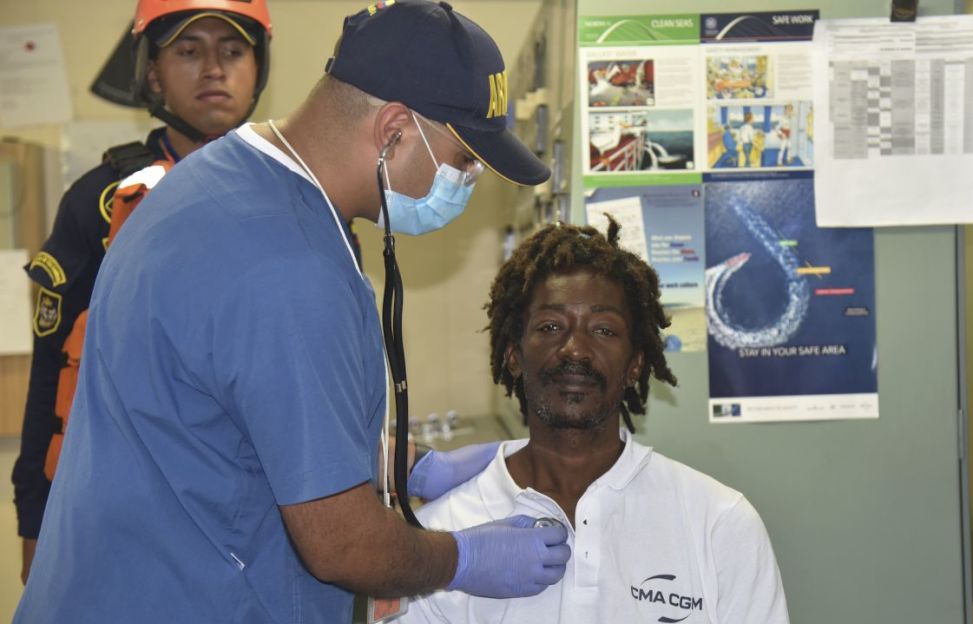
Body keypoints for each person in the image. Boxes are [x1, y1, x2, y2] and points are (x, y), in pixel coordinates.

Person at [14, 1, 570, 621]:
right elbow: (341, 544)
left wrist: (408, 466)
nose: (468, 179)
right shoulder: (289, 266)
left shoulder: (215, 181)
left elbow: (229, 417)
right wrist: (464, 560)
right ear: (392, 132)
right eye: (465, 159)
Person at [400, 217, 790, 623]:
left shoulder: (719, 523)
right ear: (513, 354)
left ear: (636, 364)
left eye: (603, 330)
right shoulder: (442, 538)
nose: (575, 350)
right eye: (551, 326)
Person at [12, 0, 274, 585]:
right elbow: (53, 372)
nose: (213, 68)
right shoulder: (101, 201)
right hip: (124, 516)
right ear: (152, 72)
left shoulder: (299, 194)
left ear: (258, 69)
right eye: (188, 50)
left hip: (263, 514)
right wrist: (35, 521)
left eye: (233, 51)